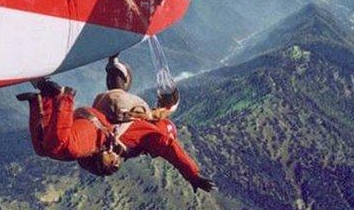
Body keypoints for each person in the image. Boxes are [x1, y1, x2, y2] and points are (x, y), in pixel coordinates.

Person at [22, 57, 215, 192]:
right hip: (94, 128)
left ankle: (41, 99)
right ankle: (60, 96)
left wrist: (113, 61)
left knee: (44, 147)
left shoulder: (137, 125)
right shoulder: (148, 136)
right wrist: (192, 175)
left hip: (93, 119)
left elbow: (115, 95)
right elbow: (169, 147)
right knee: (57, 147)